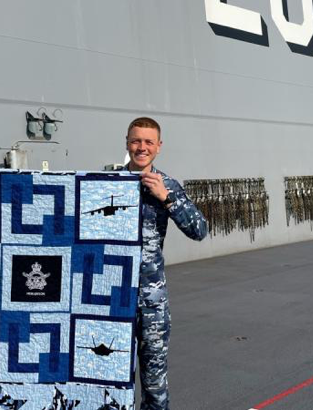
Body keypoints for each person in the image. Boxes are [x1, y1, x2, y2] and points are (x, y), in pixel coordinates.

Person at [124, 117, 208, 409]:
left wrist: (167, 198)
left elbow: (199, 230)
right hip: (111, 301)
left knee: (155, 384)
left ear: (158, 147)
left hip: (151, 302)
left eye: (148, 142)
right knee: (112, 379)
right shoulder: (107, 184)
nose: (142, 147)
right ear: (127, 143)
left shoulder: (167, 185)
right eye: (136, 140)